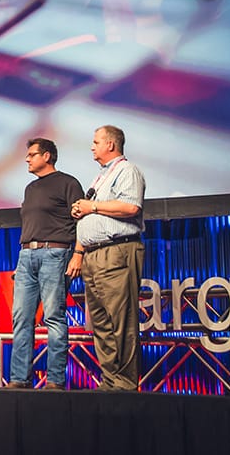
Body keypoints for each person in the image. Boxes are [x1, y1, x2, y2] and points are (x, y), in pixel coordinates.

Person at [70, 125, 146, 390]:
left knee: (120, 319)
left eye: (96, 142)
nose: (92, 146)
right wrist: (79, 250)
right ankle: (110, 380)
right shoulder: (101, 176)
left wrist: (92, 206)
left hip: (117, 251)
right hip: (94, 254)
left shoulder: (127, 171)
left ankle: (125, 383)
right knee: (101, 321)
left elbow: (130, 205)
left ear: (111, 145)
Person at [8, 138, 84, 390]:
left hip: (55, 253)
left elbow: (81, 221)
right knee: (21, 319)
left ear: (47, 156)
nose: (27, 159)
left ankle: (55, 380)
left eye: (32, 154)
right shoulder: (30, 188)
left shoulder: (68, 183)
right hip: (26, 256)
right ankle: (20, 378)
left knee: (53, 317)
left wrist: (78, 254)